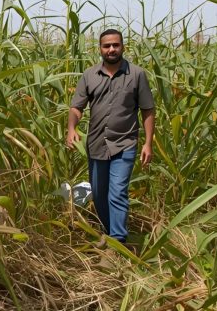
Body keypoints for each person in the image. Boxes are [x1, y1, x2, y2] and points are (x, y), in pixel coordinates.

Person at [66, 29, 155, 248]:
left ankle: (118, 242)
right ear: (100, 49)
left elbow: (148, 110)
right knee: (98, 195)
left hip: (124, 144)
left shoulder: (136, 74)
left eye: (115, 45)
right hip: (96, 144)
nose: (111, 49)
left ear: (123, 46)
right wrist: (71, 128)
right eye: (107, 46)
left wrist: (148, 143)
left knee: (117, 192)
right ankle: (109, 233)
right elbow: (77, 107)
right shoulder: (89, 75)